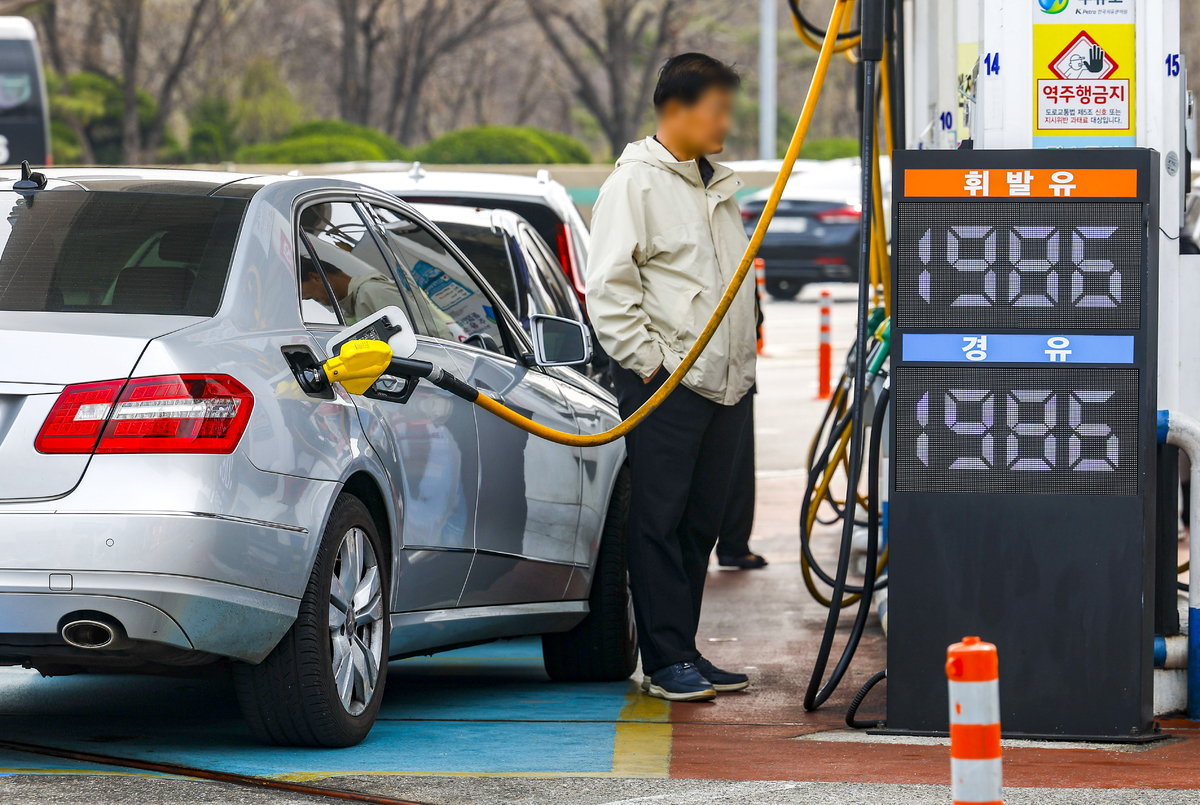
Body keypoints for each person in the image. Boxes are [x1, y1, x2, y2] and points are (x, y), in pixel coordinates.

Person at [587, 53, 757, 702]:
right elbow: (608, 291)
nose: (724, 123)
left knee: (699, 522)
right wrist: (656, 367)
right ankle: (662, 660)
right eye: (716, 109)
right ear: (676, 110)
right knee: (657, 519)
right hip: (667, 384)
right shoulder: (634, 185)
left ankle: (682, 648)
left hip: (724, 386)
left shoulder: (715, 186)